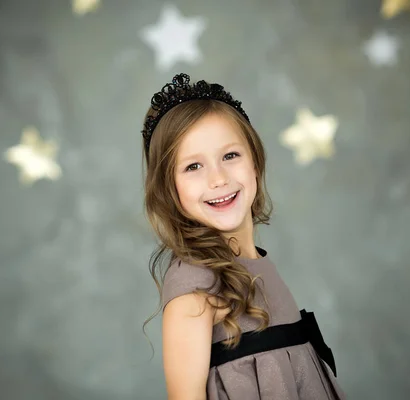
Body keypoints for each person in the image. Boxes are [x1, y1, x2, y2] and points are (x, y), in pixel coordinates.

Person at [141, 73, 345, 400]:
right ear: (170, 189)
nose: (218, 178)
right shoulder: (194, 289)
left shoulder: (259, 263)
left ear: (255, 162)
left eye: (230, 156)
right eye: (193, 166)